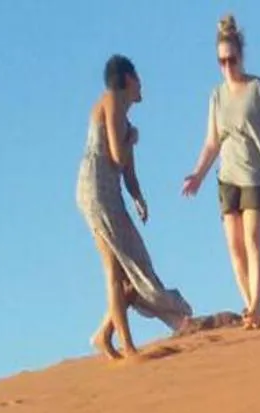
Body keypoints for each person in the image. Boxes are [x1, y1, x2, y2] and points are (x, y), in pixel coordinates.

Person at [76, 55, 192, 360]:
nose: (142, 84)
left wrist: (138, 197)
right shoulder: (112, 100)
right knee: (126, 267)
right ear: (128, 79)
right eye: (138, 77)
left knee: (121, 271)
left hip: (101, 192)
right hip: (98, 191)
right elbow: (117, 155)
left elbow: (127, 170)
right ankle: (128, 344)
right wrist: (132, 139)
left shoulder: (123, 118)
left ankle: (106, 335)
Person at [181, 15, 260, 329]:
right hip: (227, 177)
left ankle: (255, 306)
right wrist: (197, 174)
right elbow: (211, 142)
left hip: (256, 176)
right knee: (234, 247)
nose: (227, 66)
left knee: (253, 241)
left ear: (241, 56)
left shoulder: (257, 88)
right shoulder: (216, 96)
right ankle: (248, 306)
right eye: (221, 61)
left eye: (232, 59)